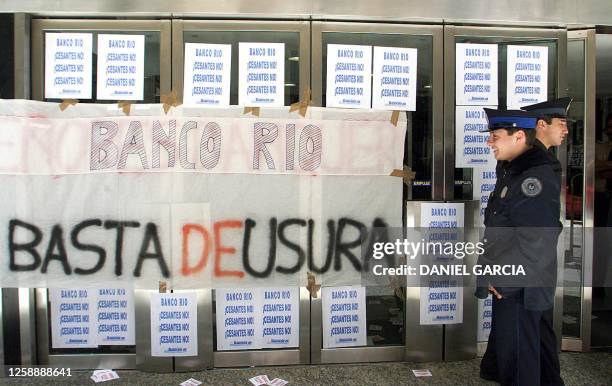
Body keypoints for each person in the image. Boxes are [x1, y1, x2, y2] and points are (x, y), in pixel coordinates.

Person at [476, 108, 564, 386]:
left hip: (519, 284)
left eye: (495, 136)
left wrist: (506, 279)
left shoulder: (532, 177)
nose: (490, 142)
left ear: (518, 137)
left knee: (518, 357)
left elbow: (536, 239)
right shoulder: (512, 168)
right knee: (532, 345)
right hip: (517, 279)